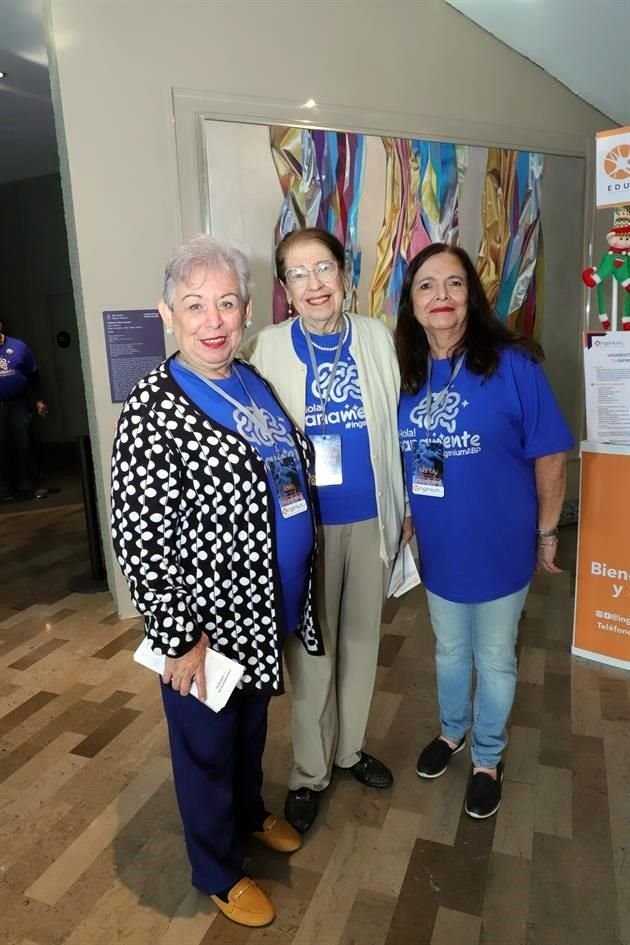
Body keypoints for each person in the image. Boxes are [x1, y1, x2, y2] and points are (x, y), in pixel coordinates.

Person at [110, 235, 324, 928]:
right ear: (167, 314)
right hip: (207, 628)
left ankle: (251, 812)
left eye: (226, 303)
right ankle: (219, 868)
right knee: (205, 748)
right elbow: (141, 539)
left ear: (247, 308)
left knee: (249, 730)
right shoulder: (154, 409)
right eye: (194, 304)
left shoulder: (248, 377)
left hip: (262, 613)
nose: (213, 320)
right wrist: (180, 639)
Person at [396, 243, 573, 820]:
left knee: (494, 656)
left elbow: (550, 455)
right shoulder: (407, 372)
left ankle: (488, 758)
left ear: (471, 294)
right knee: (449, 648)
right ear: (412, 302)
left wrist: (547, 533)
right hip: (440, 546)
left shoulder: (511, 364)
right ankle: (452, 733)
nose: (440, 297)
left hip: (500, 544)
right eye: (426, 286)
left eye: (453, 284)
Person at [244, 227, 409, 834]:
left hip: (369, 518)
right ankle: (310, 771)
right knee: (312, 652)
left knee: (363, 639)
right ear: (285, 288)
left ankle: (349, 750)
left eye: (323, 270)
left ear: (344, 274)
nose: (313, 284)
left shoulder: (375, 338)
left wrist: (409, 507)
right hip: (303, 530)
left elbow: (398, 427)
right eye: (298, 274)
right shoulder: (266, 349)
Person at [0, 320, 48, 501]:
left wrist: (40, 400)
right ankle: (7, 490)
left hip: (18, 402)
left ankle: (36, 485)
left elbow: (34, 375)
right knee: (2, 447)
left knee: (25, 443)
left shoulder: (19, 347)